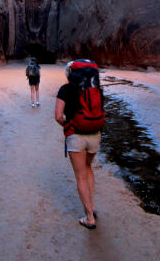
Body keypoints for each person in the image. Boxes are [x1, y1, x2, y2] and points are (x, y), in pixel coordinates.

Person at [55, 60, 104, 230]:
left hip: (76, 136)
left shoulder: (66, 89)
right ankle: (93, 206)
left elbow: (58, 116)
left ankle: (89, 217)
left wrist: (68, 126)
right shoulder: (97, 89)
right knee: (88, 169)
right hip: (95, 135)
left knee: (80, 175)